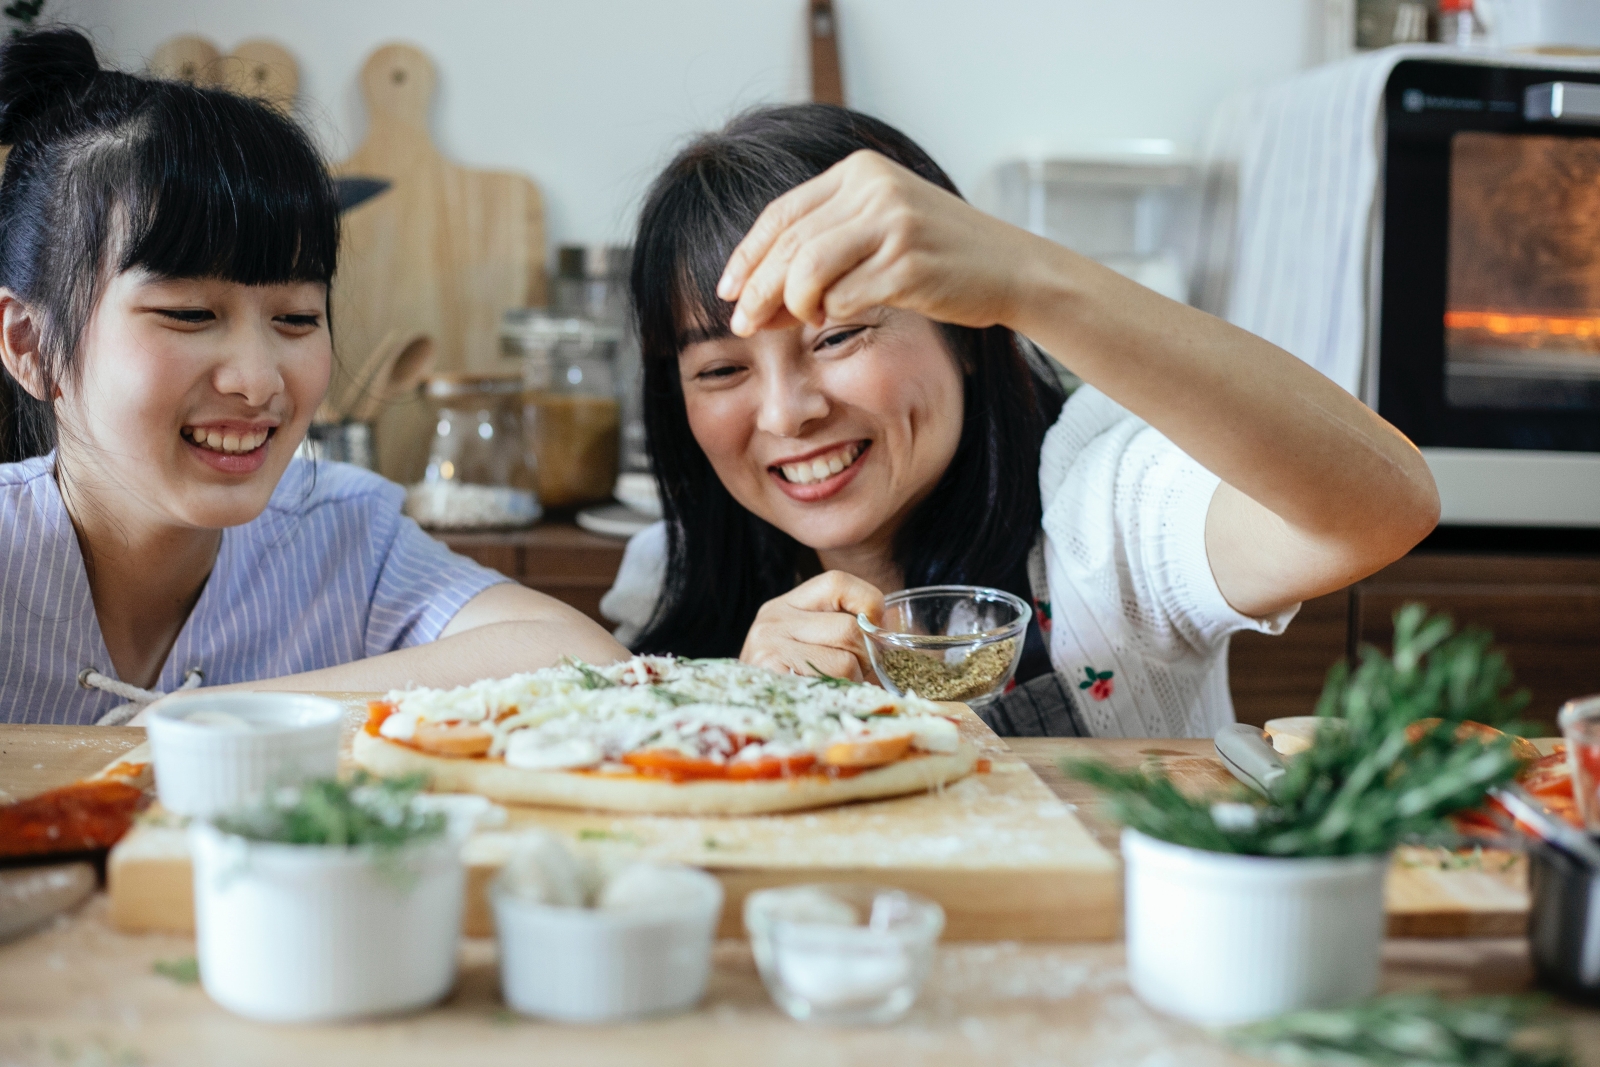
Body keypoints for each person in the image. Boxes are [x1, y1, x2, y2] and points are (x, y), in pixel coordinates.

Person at [600, 104, 1440, 739]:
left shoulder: (1099, 515)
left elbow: (1385, 505)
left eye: (840, 334)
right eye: (720, 369)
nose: (789, 412)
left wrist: (1028, 278)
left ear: (965, 330)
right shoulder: (669, 580)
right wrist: (735, 713)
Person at [0, 29, 625, 726]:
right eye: (189, 312)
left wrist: (215, 712)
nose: (258, 380)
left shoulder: (345, 535)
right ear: (28, 341)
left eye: (297, 318)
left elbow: (582, 661)